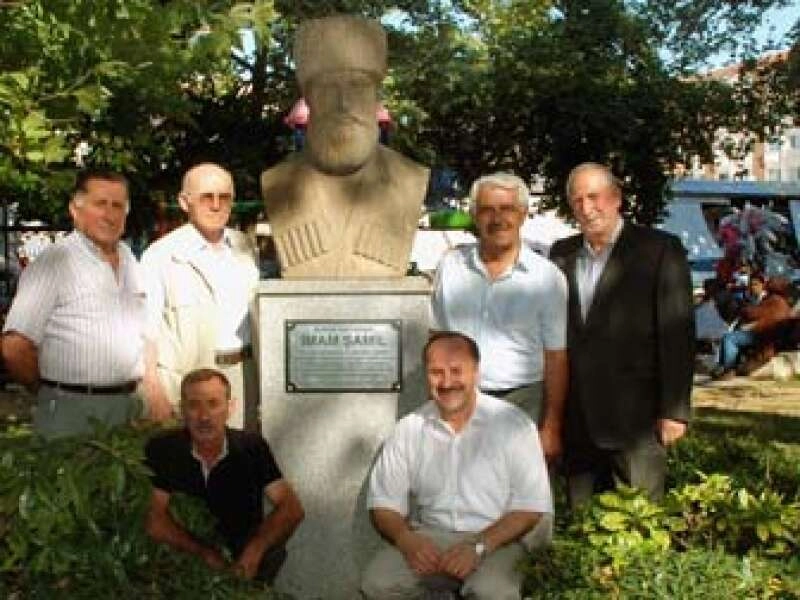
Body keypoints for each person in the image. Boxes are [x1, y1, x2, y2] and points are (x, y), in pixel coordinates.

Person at [361, 331, 552, 600]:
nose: (447, 382)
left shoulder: (513, 425)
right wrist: (406, 540)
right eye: (436, 372)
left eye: (456, 371)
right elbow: (383, 504)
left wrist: (478, 546)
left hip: (498, 540)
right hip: (431, 537)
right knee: (378, 582)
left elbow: (529, 509)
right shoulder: (409, 429)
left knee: (492, 591)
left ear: (476, 373)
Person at [549, 162, 694, 507]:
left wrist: (674, 410)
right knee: (583, 519)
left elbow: (677, 335)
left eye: (594, 197)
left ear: (616, 198)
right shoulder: (561, 254)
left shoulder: (659, 250)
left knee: (639, 517)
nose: (587, 208)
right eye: (578, 200)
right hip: (578, 420)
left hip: (637, 419)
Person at [261, 15, 429, 278]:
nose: (344, 104)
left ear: (375, 95)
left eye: (358, 86)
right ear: (309, 98)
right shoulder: (278, 183)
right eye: (328, 88)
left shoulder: (409, 179)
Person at [1, 170, 165, 438]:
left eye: (117, 206)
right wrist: (49, 391)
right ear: (75, 210)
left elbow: (145, 333)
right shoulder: (55, 262)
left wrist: (152, 388)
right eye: (100, 204)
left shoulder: (129, 259)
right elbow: (14, 346)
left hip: (130, 408)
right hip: (70, 410)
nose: (109, 215)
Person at [430, 172, 568, 463]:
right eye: (487, 210)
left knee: (518, 488)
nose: (497, 218)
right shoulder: (450, 267)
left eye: (507, 209)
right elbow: (436, 340)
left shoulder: (547, 277)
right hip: (459, 400)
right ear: (474, 216)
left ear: (523, 214)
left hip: (523, 401)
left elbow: (556, 356)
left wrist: (551, 426)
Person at [144, 368, 303, 582]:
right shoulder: (163, 449)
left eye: (213, 404)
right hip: (186, 557)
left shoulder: (251, 447)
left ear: (230, 407)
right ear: (182, 410)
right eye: (194, 405)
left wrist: (255, 550)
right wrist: (203, 554)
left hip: (242, 558)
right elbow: (154, 519)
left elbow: (291, 508)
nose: (204, 416)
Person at [140, 163, 260, 429]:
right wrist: (153, 390)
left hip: (244, 376)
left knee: (241, 451)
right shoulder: (161, 255)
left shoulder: (245, 247)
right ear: (185, 202)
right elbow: (146, 332)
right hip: (192, 381)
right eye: (207, 197)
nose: (216, 205)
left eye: (224, 197)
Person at [711, 274, 793, 379]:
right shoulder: (782, 302)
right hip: (768, 334)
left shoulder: (774, 300)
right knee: (730, 335)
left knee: (730, 338)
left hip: (765, 337)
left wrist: (745, 310)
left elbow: (755, 314)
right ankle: (721, 366)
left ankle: (728, 368)